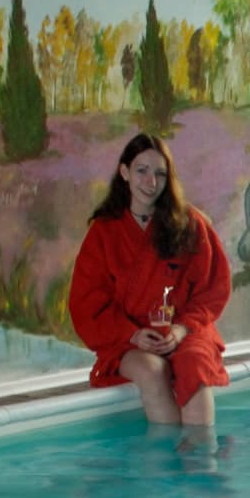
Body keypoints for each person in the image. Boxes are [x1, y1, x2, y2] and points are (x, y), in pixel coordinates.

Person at [68, 134, 232, 434]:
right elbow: (87, 303)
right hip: (129, 338)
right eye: (142, 170)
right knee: (151, 369)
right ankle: (167, 469)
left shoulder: (190, 224)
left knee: (195, 364)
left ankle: (200, 466)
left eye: (160, 173)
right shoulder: (104, 233)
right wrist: (132, 335)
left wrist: (181, 330)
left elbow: (213, 290)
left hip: (185, 330)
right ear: (124, 173)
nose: (151, 181)